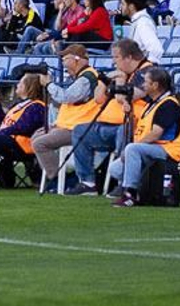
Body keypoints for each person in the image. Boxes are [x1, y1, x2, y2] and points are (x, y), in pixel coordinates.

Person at [64, 39, 154, 195]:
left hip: (131, 125)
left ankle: (124, 182)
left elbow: (123, 97)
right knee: (80, 131)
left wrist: (119, 78)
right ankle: (87, 182)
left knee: (124, 131)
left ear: (129, 57)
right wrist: (103, 81)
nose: (114, 61)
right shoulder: (125, 73)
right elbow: (98, 98)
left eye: (117, 57)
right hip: (105, 124)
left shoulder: (147, 73)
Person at [107, 67, 180, 208]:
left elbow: (156, 133)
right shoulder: (152, 103)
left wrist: (132, 148)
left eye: (146, 82)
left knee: (132, 149)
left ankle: (130, 193)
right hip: (151, 148)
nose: (143, 85)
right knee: (115, 169)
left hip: (168, 149)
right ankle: (148, 190)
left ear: (155, 85)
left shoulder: (168, 104)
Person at [29, 44, 102, 193]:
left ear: (78, 59)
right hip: (68, 124)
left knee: (40, 143)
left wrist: (49, 84)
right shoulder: (78, 77)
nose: (63, 63)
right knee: (36, 136)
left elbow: (66, 97)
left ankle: (58, 180)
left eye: (66, 59)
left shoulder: (86, 78)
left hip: (79, 126)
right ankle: (60, 177)